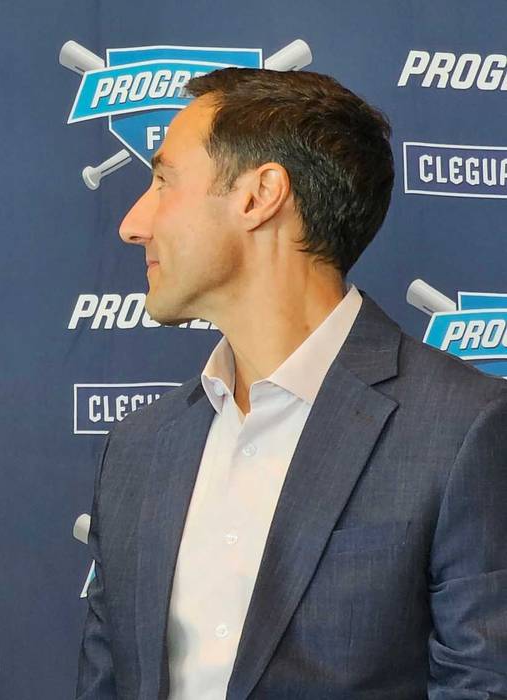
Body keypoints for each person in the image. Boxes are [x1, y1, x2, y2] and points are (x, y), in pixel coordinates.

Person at [76, 68, 507, 698]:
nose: (133, 224)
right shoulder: (138, 448)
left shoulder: (463, 429)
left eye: (163, 180)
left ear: (259, 196)